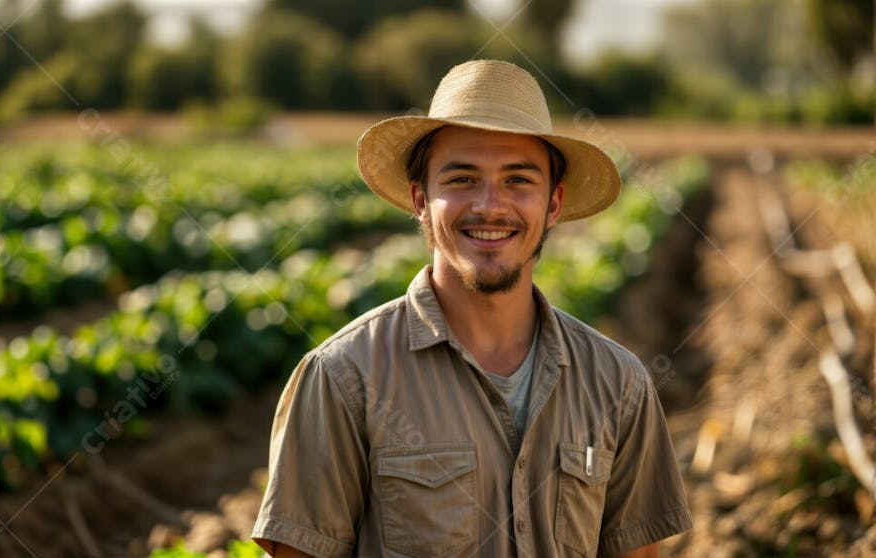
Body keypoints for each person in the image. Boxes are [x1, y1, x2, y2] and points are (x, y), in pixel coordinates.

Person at [251, 59, 692, 558]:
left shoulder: (619, 383)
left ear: (553, 204)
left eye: (518, 180)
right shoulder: (343, 377)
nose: (490, 206)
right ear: (421, 199)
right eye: (462, 179)